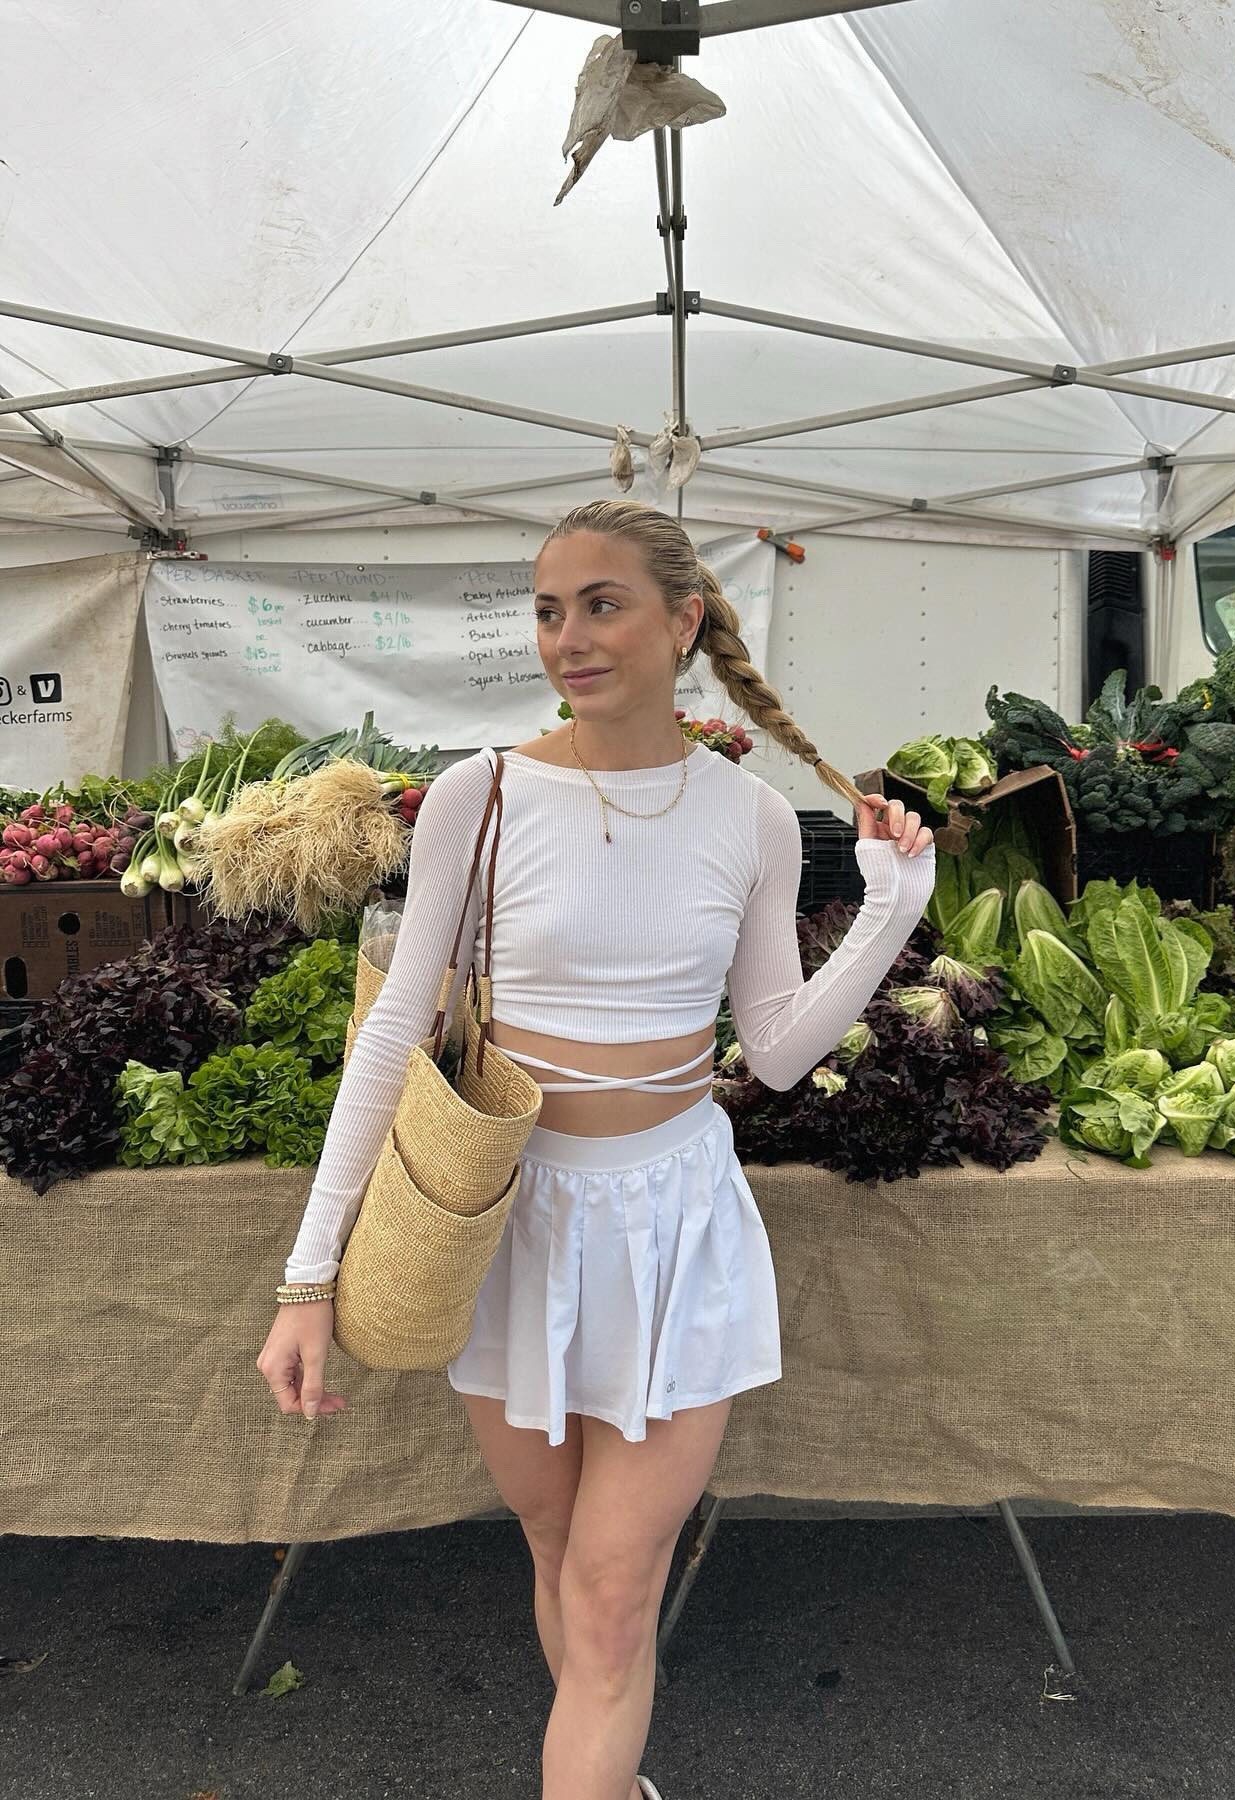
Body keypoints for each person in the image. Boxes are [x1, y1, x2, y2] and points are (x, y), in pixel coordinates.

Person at [257, 498, 936, 1800]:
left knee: (617, 1590)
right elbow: (397, 1026)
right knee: (560, 1543)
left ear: (684, 620)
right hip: (505, 1222)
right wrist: (307, 1274)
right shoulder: (482, 795)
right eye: (548, 609)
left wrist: (891, 907)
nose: (567, 637)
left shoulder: (744, 815)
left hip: (676, 1223)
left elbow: (779, 1048)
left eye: (602, 604)